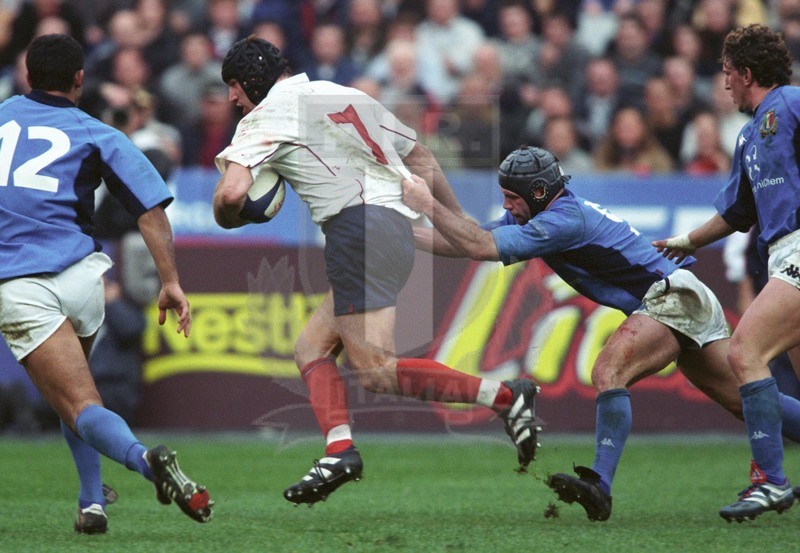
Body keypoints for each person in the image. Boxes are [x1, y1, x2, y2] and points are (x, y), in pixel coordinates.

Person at [212, 35, 539, 506]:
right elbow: (422, 159)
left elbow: (231, 195)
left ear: (255, 82)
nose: (232, 98)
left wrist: (229, 215)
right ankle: (339, 449)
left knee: (377, 370)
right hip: (395, 230)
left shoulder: (265, 116)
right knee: (311, 347)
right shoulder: (345, 95)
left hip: (357, 228)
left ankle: (506, 397)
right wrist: (461, 219)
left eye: (236, 86)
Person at [400, 145, 800, 522]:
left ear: (538, 191)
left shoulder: (563, 220)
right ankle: (601, 485)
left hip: (671, 296)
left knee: (610, 371)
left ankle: (600, 485)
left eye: (512, 197)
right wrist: (406, 235)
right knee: (745, 402)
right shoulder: (542, 213)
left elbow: (477, 246)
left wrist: (426, 204)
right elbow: (467, 237)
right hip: (683, 293)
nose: (506, 206)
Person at [0, 34, 213, 534]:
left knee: (77, 402)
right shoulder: (98, 132)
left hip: (21, 282)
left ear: (27, 75)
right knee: (76, 392)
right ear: (79, 80)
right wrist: (171, 283)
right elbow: (152, 209)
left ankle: (147, 463)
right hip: (83, 278)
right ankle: (91, 502)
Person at [652, 24, 800, 522]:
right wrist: (687, 240)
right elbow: (738, 213)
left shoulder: (794, 103)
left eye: (727, 73)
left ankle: (769, 481)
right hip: (781, 252)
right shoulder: (748, 135)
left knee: (745, 351)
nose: (725, 85)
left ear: (747, 72)